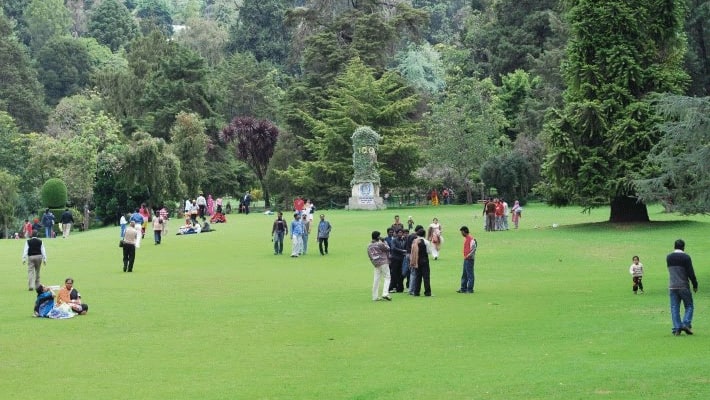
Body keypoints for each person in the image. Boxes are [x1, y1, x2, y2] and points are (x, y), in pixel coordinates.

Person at [666, 239, 698, 336]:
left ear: (674, 246)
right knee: (689, 306)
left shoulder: (669, 257)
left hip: (672, 286)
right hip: (683, 285)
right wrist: (695, 284)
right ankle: (686, 324)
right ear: (683, 247)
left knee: (674, 307)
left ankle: (677, 328)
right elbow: (690, 272)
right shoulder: (686, 257)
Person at [367, 231, 392, 302]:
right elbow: (388, 248)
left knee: (376, 279)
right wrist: (384, 241)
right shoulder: (380, 244)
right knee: (387, 277)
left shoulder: (369, 245)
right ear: (378, 237)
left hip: (376, 263)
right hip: (384, 262)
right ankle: (385, 293)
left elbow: (369, 255)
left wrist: (373, 263)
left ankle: (375, 296)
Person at [409, 228, 432, 297]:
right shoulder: (426, 242)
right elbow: (429, 252)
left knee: (418, 277)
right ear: (424, 234)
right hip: (424, 260)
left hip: (416, 261)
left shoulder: (414, 241)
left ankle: (416, 292)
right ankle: (427, 292)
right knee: (426, 277)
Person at [457, 226, 477, 293]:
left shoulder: (471, 239)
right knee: (464, 274)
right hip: (466, 258)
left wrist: (468, 255)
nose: (461, 234)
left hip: (469, 259)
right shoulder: (466, 238)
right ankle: (463, 288)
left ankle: (470, 289)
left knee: (470, 275)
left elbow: (473, 249)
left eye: (462, 232)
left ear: (464, 231)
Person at [388, 229, 406, 293]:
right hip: (395, 259)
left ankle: (400, 288)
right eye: (399, 232)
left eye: (401, 233)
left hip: (402, 259)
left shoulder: (403, 240)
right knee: (394, 274)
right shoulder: (394, 240)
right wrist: (402, 251)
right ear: (396, 233)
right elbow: (393, 248)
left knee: (401, 274)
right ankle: (391, 287)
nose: (400, 234)